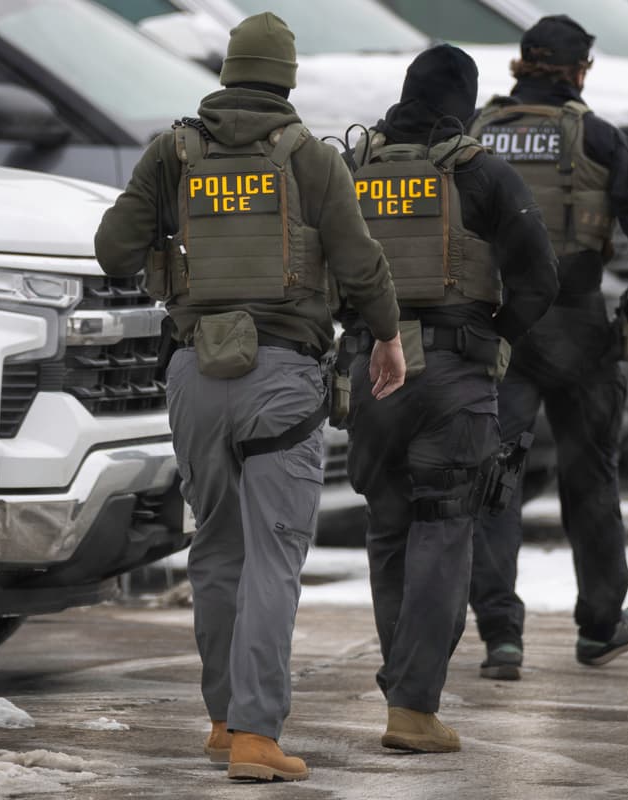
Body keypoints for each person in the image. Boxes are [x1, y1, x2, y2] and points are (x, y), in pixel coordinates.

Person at [94, 12, 405, 782]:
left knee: (219, 548)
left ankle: (225, 720)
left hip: (195, 375)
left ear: (229, 72)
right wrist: (389, 337)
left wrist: (174, 253)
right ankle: (258, 738)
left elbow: (112, 249)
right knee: (275, 556)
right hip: (282, 380)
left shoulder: (173, 151)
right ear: (288, 78)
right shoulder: (309, 159)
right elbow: (361, 264)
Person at [466, 15, 628, 680]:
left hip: (500, 325)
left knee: (496, 480)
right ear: (578, 71)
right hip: (576, 323)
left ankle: (500, 637)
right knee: (591, 476)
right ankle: (600, 626)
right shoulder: (599, 137)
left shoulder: (476, 138)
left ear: (522, 65)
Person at [341, 44, 558, 752]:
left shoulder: (354, 168)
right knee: (444, 528)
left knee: (387, 526)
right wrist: (495, 337)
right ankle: (412, 704)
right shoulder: (481, 172)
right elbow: (540, 279)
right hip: (454, 376)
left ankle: (402, 678)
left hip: (373, 372)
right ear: (463, 102)